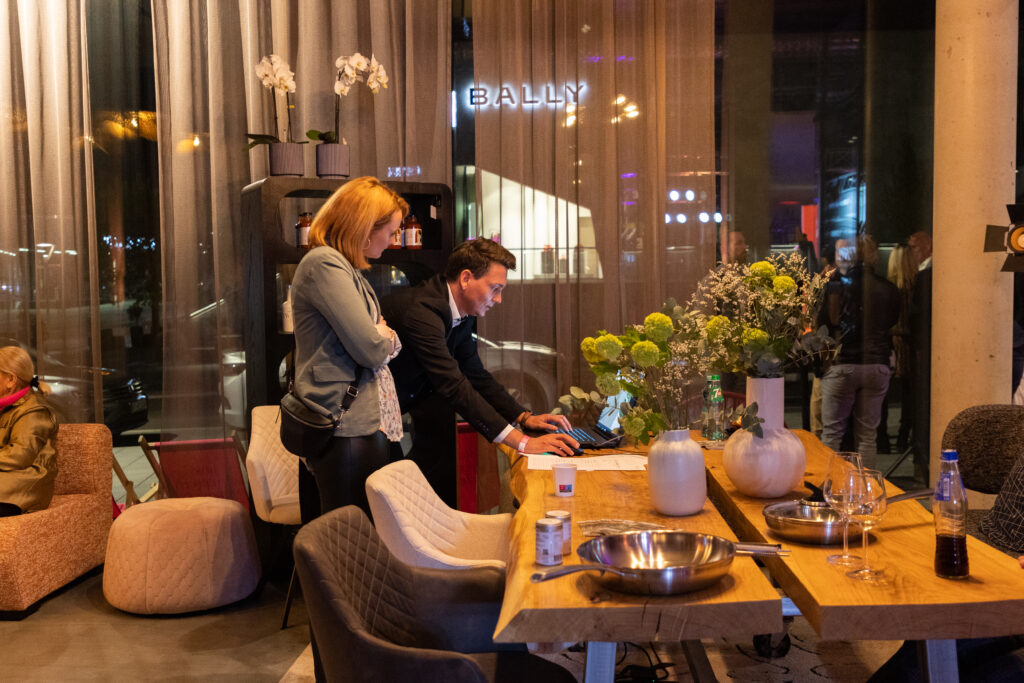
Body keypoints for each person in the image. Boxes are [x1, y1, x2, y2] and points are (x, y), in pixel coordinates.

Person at [382, 238, 578, 508]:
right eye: (495, 288)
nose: (498, 299)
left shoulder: (462, 311)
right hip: (364, 415)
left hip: (400, 407)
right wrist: (521, 442)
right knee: (384, 499)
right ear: (466, 278)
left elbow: (475, 374)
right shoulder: (423, 311)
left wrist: (523, 416)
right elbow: (452, 383)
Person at [290, 176, 407, 520]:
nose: (393, 240)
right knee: (349, 535)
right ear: (365, 227)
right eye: (391, 231)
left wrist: (382, 336)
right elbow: (372, 349)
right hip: (345, 424)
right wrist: (382, 335)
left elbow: (382, 339)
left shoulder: (347, 269)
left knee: (361, 532)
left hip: (359, 423)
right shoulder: (324, 264)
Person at [818, 234, 899, 470]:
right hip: (877, 363)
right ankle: (868, 486)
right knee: (867, 436)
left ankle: (831, 484)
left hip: (842, 363)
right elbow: (891, 321)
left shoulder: (836, 288)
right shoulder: (888, 288)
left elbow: (824, 324)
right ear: (873, 255)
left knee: (832, 434)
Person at [0, 346, 58, 517]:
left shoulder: (34, 410)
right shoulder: (4, 407)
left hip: (23, 487)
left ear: (11, 380)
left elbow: (20, 455)